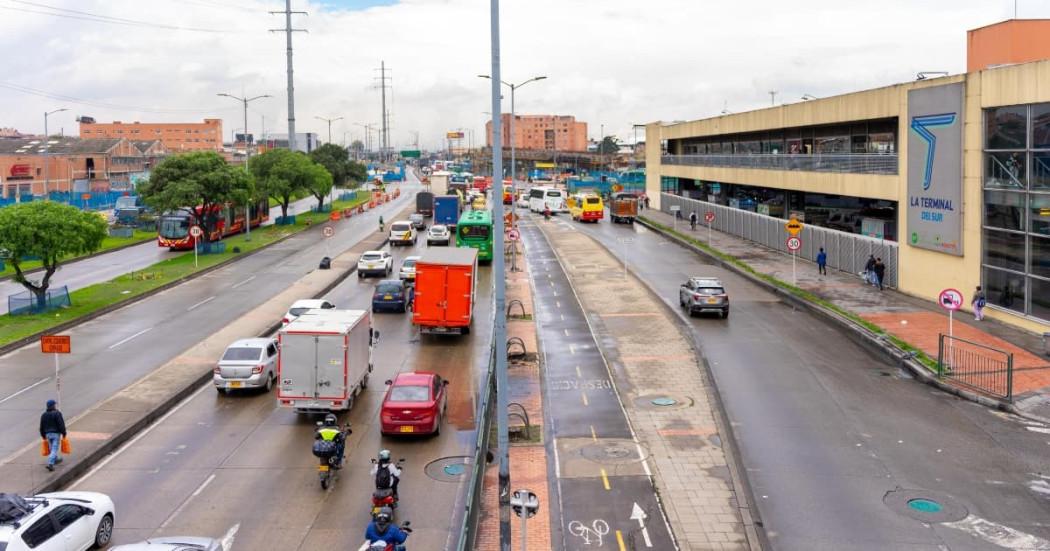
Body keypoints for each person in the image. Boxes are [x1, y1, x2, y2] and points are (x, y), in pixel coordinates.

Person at [39, 399, 66, 472]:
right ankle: (50, 463)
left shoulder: (43, 415)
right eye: (54, 404)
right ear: (53, 406)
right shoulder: (57, 413)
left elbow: (41, 426)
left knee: (51, 448)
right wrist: (64, 433)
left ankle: (55, 459)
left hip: (47, 434)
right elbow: (61, 424)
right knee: (54, 448)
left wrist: (43, 435)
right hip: (55, 434)